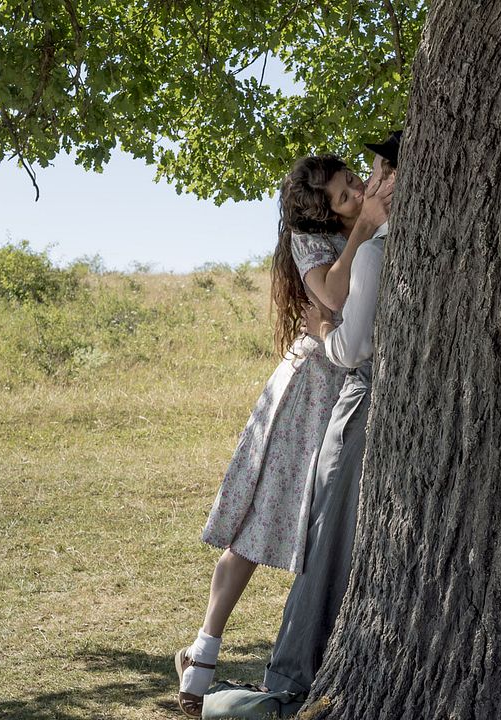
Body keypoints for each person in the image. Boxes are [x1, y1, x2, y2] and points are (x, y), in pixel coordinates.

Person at [175, 154, 393, 718]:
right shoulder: (315, 242)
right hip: (310, 390)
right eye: (342, 197)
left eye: (352, 183)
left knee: (327, 521)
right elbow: (335, 299)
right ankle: (203, 654)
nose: (353, 194)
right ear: (322, 212)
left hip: (350, 388)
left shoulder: (375, 221)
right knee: (264, 513)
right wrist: (362, 230)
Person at [260, 131, 401, 699]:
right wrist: (326, 332)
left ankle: (300, 671)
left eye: (359, 178)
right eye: (347, 193)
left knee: (342, 534)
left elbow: (345, 337)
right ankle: (291, 677)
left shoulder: (374, 243)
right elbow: (345, 323)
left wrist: (324, 333)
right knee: (327, 536)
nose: (363, 187)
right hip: (354, 394)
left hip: (363, 391)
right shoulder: (332, 249)